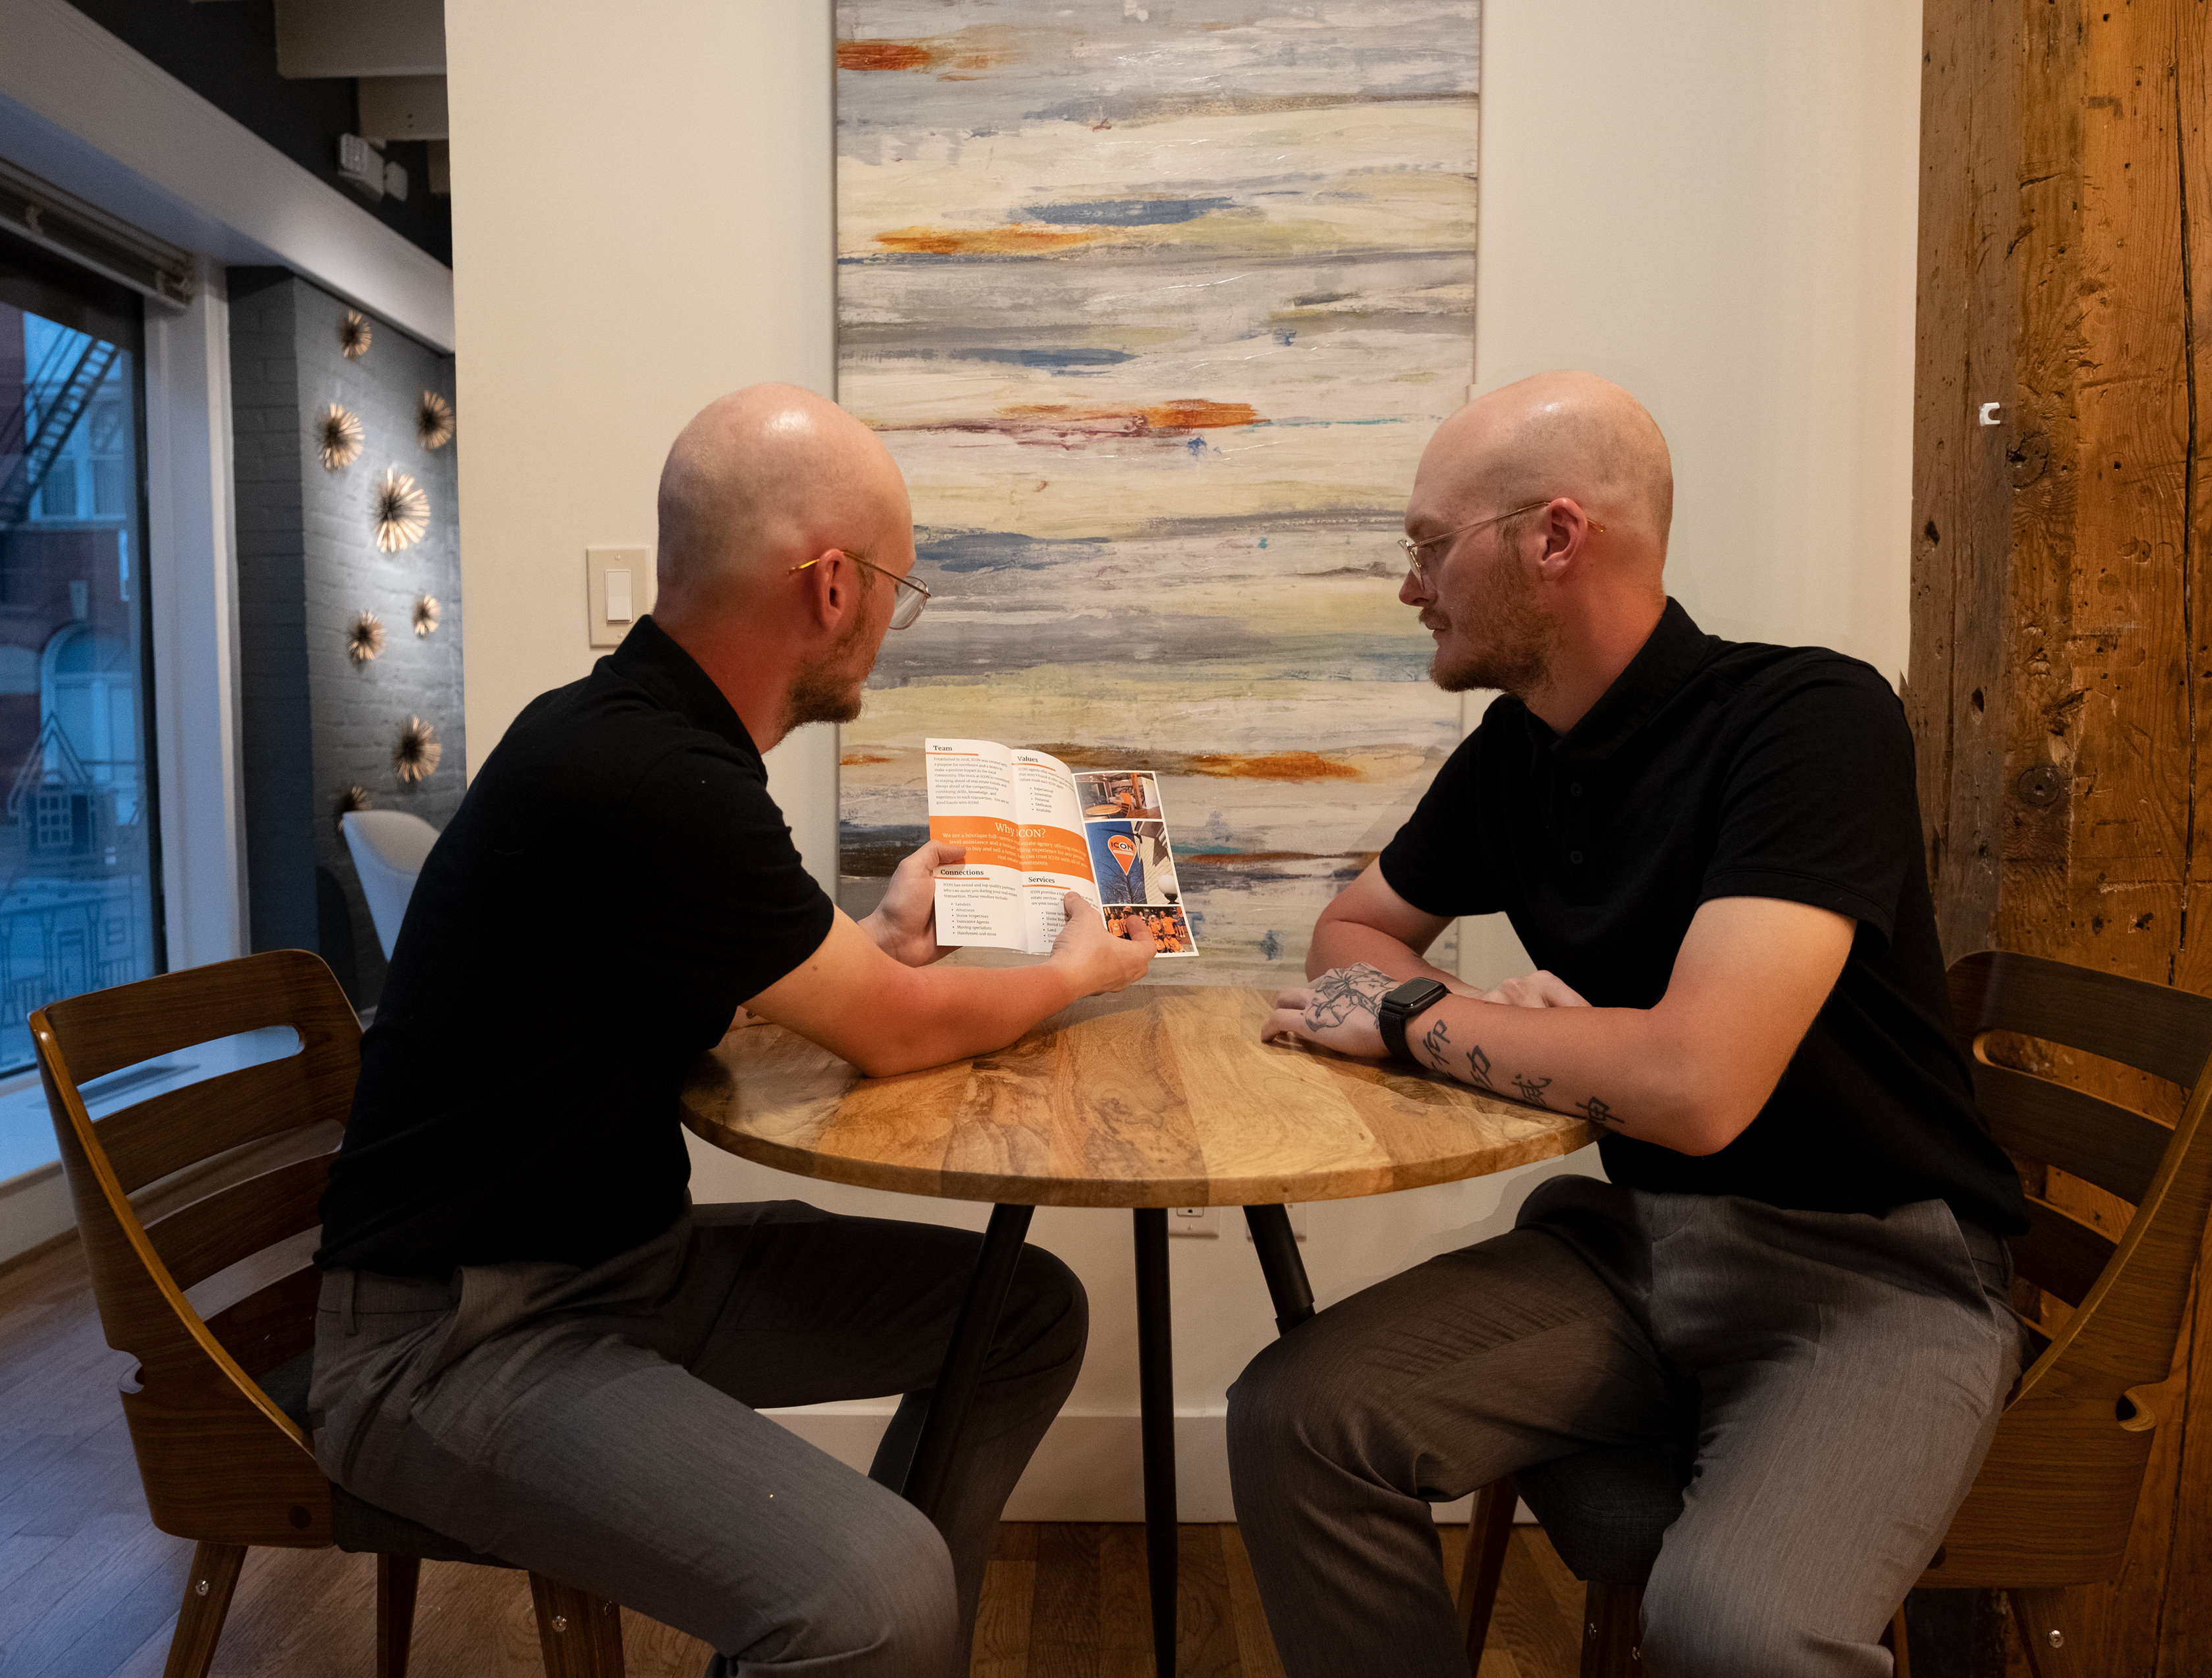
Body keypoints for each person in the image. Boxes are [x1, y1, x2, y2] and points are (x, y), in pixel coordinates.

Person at [309, 384, 1155, 1678]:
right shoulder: (656, 777)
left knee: (1018, 1313)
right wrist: (1075, 969)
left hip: (621, 1267)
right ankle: (872, 1640)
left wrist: (876, 938)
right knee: (877, 1596)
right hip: (453, 1342)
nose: (887, 627)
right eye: (896, 590)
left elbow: (750, 986)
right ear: (834, 584)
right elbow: (898, 1033)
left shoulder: (632, 739)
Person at [1229, 371, 2026, 1677]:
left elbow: (1697, 1086)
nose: (1409, 585)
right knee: (1296, 1415)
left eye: (1429, 546)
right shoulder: (1517, 751)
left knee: (1733, 1634)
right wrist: (1516, 1024)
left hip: (1873, 1274)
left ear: (1555, 537)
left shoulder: (1810, 720)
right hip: (1641, 1244)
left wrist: (1428, 1019)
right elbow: (1350, 938)